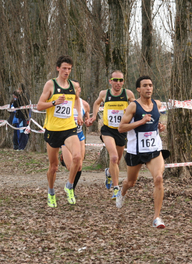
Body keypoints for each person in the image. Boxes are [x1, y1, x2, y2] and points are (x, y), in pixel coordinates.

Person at [116, 75, 166, 228]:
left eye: (150, 85)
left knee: (158, 179)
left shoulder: (157, 104)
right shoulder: (133, 106)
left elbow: (155, 122)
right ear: (138, 89)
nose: (148, 88)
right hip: (135, 151)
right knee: (131, 182)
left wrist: (159, 126)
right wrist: (140, 122)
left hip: (154, 150)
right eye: (145, 85)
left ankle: (157, 218)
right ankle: (122, 191)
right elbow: (121, 127)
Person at [36, 55, 83, 208]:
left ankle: (69, 186)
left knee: (77, 158)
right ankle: (50, 192)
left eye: (69, 69)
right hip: (53, 130)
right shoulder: (51, 84)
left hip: (69, 128)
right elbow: (39, 106)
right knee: (54, 166)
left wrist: (79, 114)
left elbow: (76, 99)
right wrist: (55, 102)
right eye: (64, 68)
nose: (66, 71)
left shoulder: (73, 86)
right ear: (58, 68)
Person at [87, 70, 135, 200]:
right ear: (110, 81)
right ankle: (116, 188)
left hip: (121, 130)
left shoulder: (128, 93)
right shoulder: (104, 94)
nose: (118, 83)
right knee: (113, 157)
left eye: (120, 80)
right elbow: (97, 103)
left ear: (123, 82)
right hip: (107, 130)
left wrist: (130, 109)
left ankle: (108, 172)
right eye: (115, 80)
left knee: (117, 160)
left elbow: (136, 105)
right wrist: (94, 115)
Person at [60, 83, 91, 197]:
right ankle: (63, 160)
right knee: (70, 166)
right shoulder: (63, 102)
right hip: (66, 137)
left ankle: (71, 189)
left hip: (79, 136)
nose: (74, 90)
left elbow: (87, 120)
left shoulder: (85, 105)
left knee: (79, 166)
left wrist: (88, 122)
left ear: (79, 89)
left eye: (76, 88)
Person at [14, 83, 29, 150]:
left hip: (23, 117)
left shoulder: (22, 97)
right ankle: (21, 146)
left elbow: (16, 104)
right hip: (22, 116)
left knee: (22, 132)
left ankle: (22, 146)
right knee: (21, 132)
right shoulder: (24, 96)